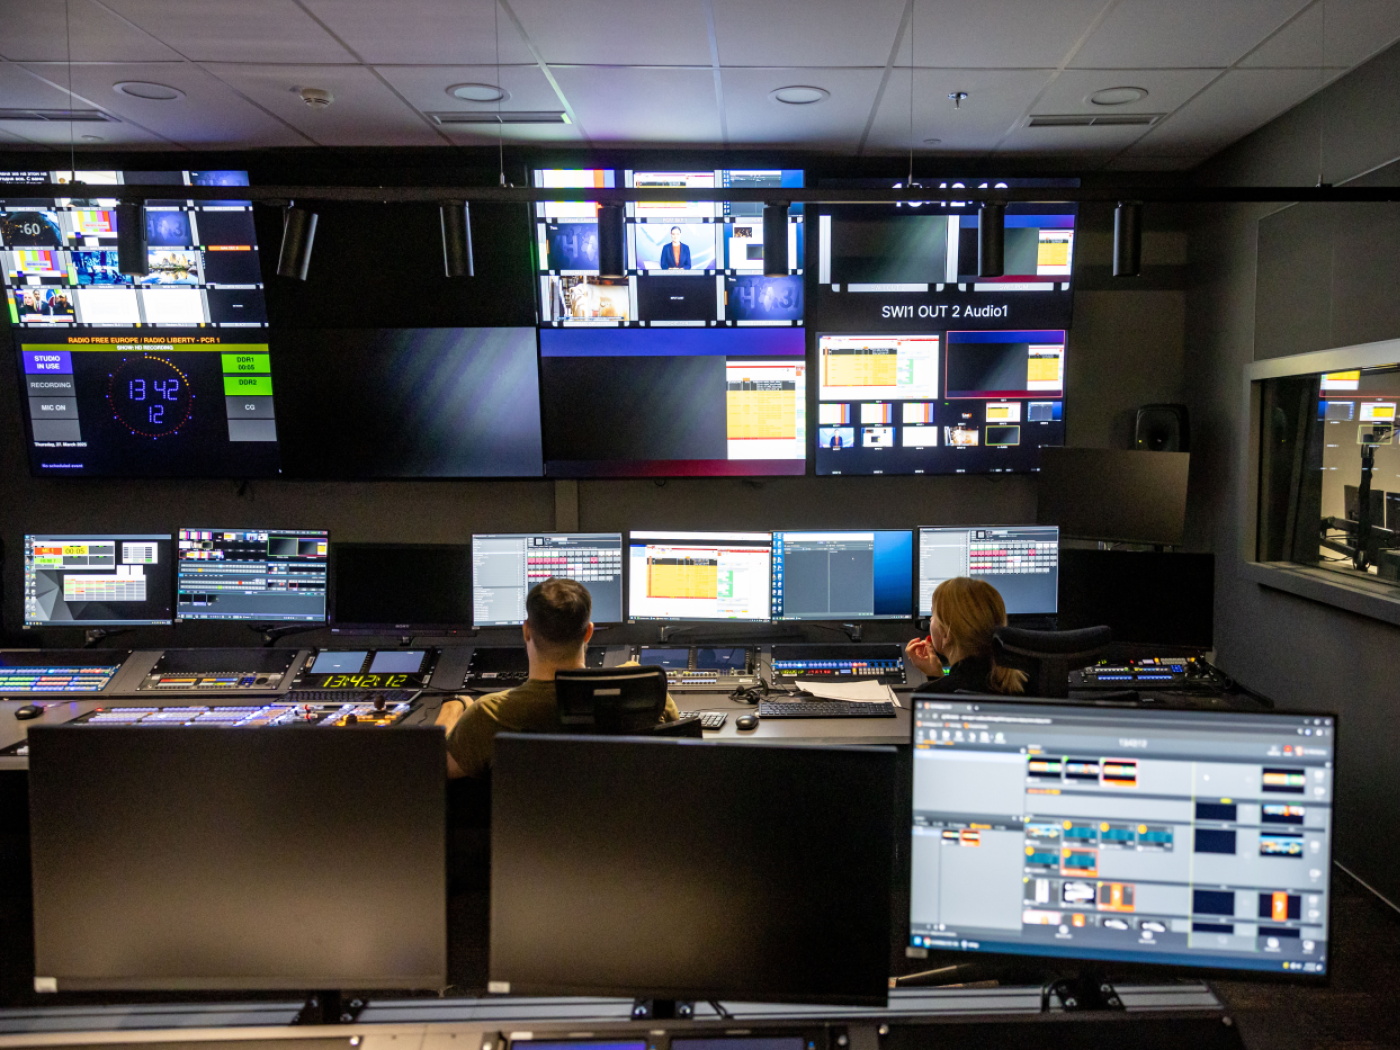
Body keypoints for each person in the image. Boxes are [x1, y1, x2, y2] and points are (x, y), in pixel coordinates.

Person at [438, 577, 679, 777]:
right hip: (625, 820)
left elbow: (435, 769)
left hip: (530, 823)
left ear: (526, 631)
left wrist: (453, 707)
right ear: (589, 632)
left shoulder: (489, 714)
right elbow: (679, 744)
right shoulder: (644, 688)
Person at [905, 576, 1026, 695]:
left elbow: (949, 692)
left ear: (946, 633)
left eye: (933, 614)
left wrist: (935, 684)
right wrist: (936, 676)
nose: (930, 620)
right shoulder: (1021, 684)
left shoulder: (930, 694)